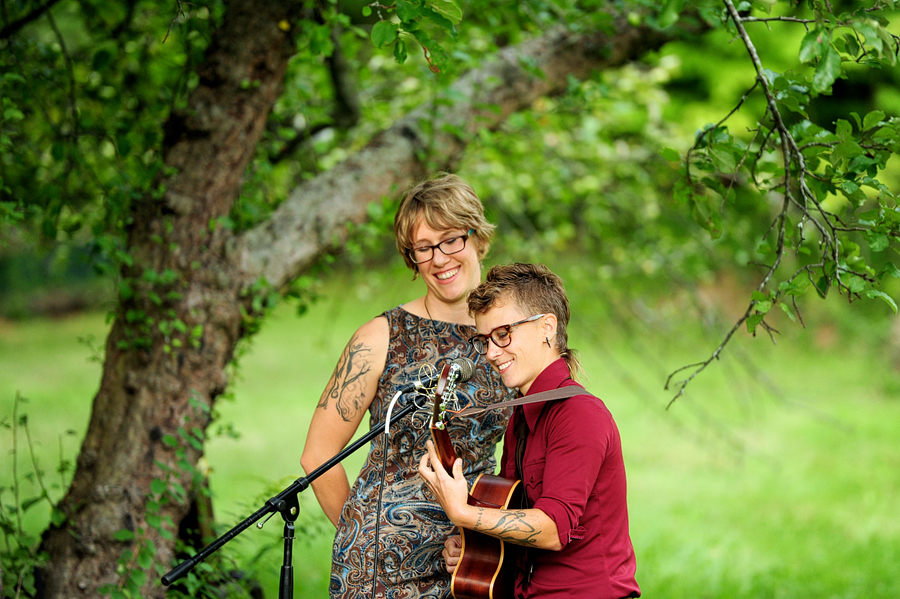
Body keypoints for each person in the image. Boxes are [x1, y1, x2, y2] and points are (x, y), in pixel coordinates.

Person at [300, 174, 515, 599]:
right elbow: (317, 454)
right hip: (380, 567)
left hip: (473, 562)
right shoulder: (380, 336)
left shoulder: (508, 335)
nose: (440, 258)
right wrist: (362, 536)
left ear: (478, 239)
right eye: (424, 248)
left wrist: (485, 538)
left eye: (452, 239)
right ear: (411, 258)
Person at [418, 263, 640, 599]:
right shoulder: (522, 415)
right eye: (485, 340)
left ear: (546, 327)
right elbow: (511, 512)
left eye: (503, 334)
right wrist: (471, 544)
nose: (491, 353)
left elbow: (553, 529)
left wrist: (463, 511)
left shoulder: (579, 415)